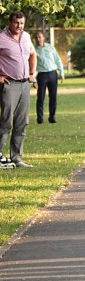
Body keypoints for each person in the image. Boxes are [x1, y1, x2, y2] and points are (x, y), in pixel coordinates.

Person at [0, 11, 36, 168]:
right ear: (10, 22)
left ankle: (16, 158)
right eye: (16, 23)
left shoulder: (26, 37)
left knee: (22, 122)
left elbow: (32, 54)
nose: (19, 26)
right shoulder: (1, 37)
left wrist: (32, 74)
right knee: (6, 121)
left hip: (24, 84)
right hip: (9, 84)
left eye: (22, 23)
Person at [34, 31, 65, 124]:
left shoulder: (50, 48)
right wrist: (34, 79)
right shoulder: (34, 50)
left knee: (53, 96)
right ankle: (40, 118)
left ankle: (52, 117)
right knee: (41, 97)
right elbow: (32, 65)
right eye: (36, 38)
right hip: (42, 75)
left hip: (52, 74)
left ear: (43, 38)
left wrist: (61, 72)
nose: (38, 39)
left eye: (40, 37)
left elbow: (57, 59)